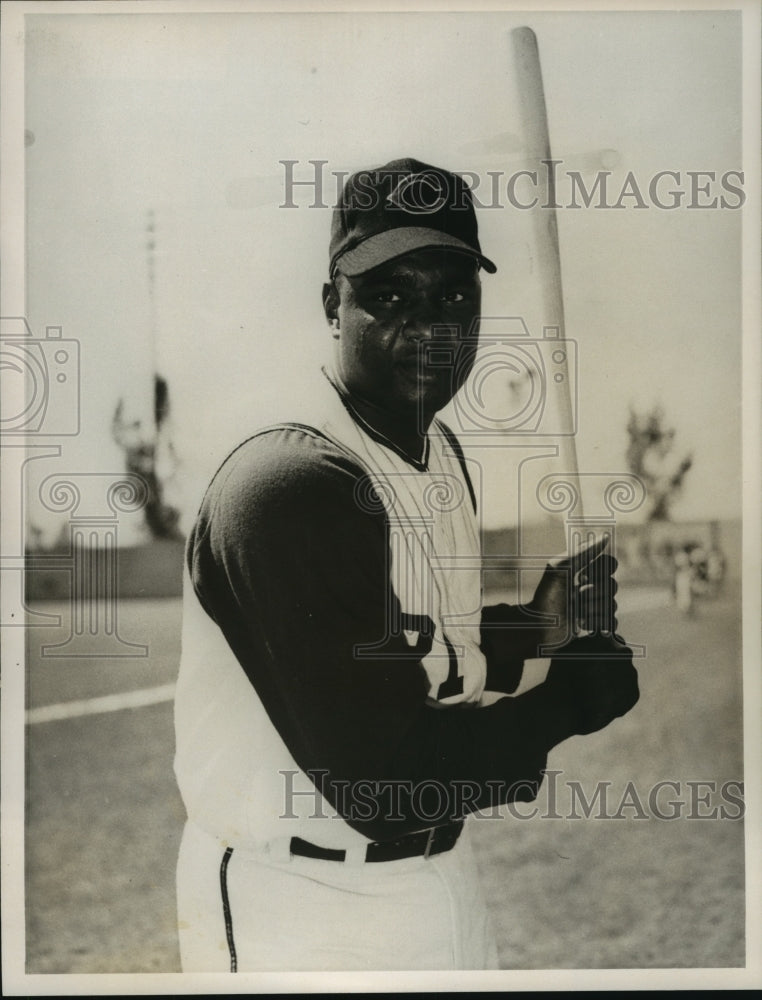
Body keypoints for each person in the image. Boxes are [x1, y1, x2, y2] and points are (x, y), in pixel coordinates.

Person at [173, 158, 640, 972]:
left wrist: (538, 626)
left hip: (441, 879)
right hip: (297, 904)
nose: (428, 329)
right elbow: (387, 784)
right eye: (389, 298)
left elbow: (425, 648)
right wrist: (567, 702)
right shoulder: (289, 484)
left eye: (453, 296)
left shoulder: (436, 449)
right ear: (332, 305)